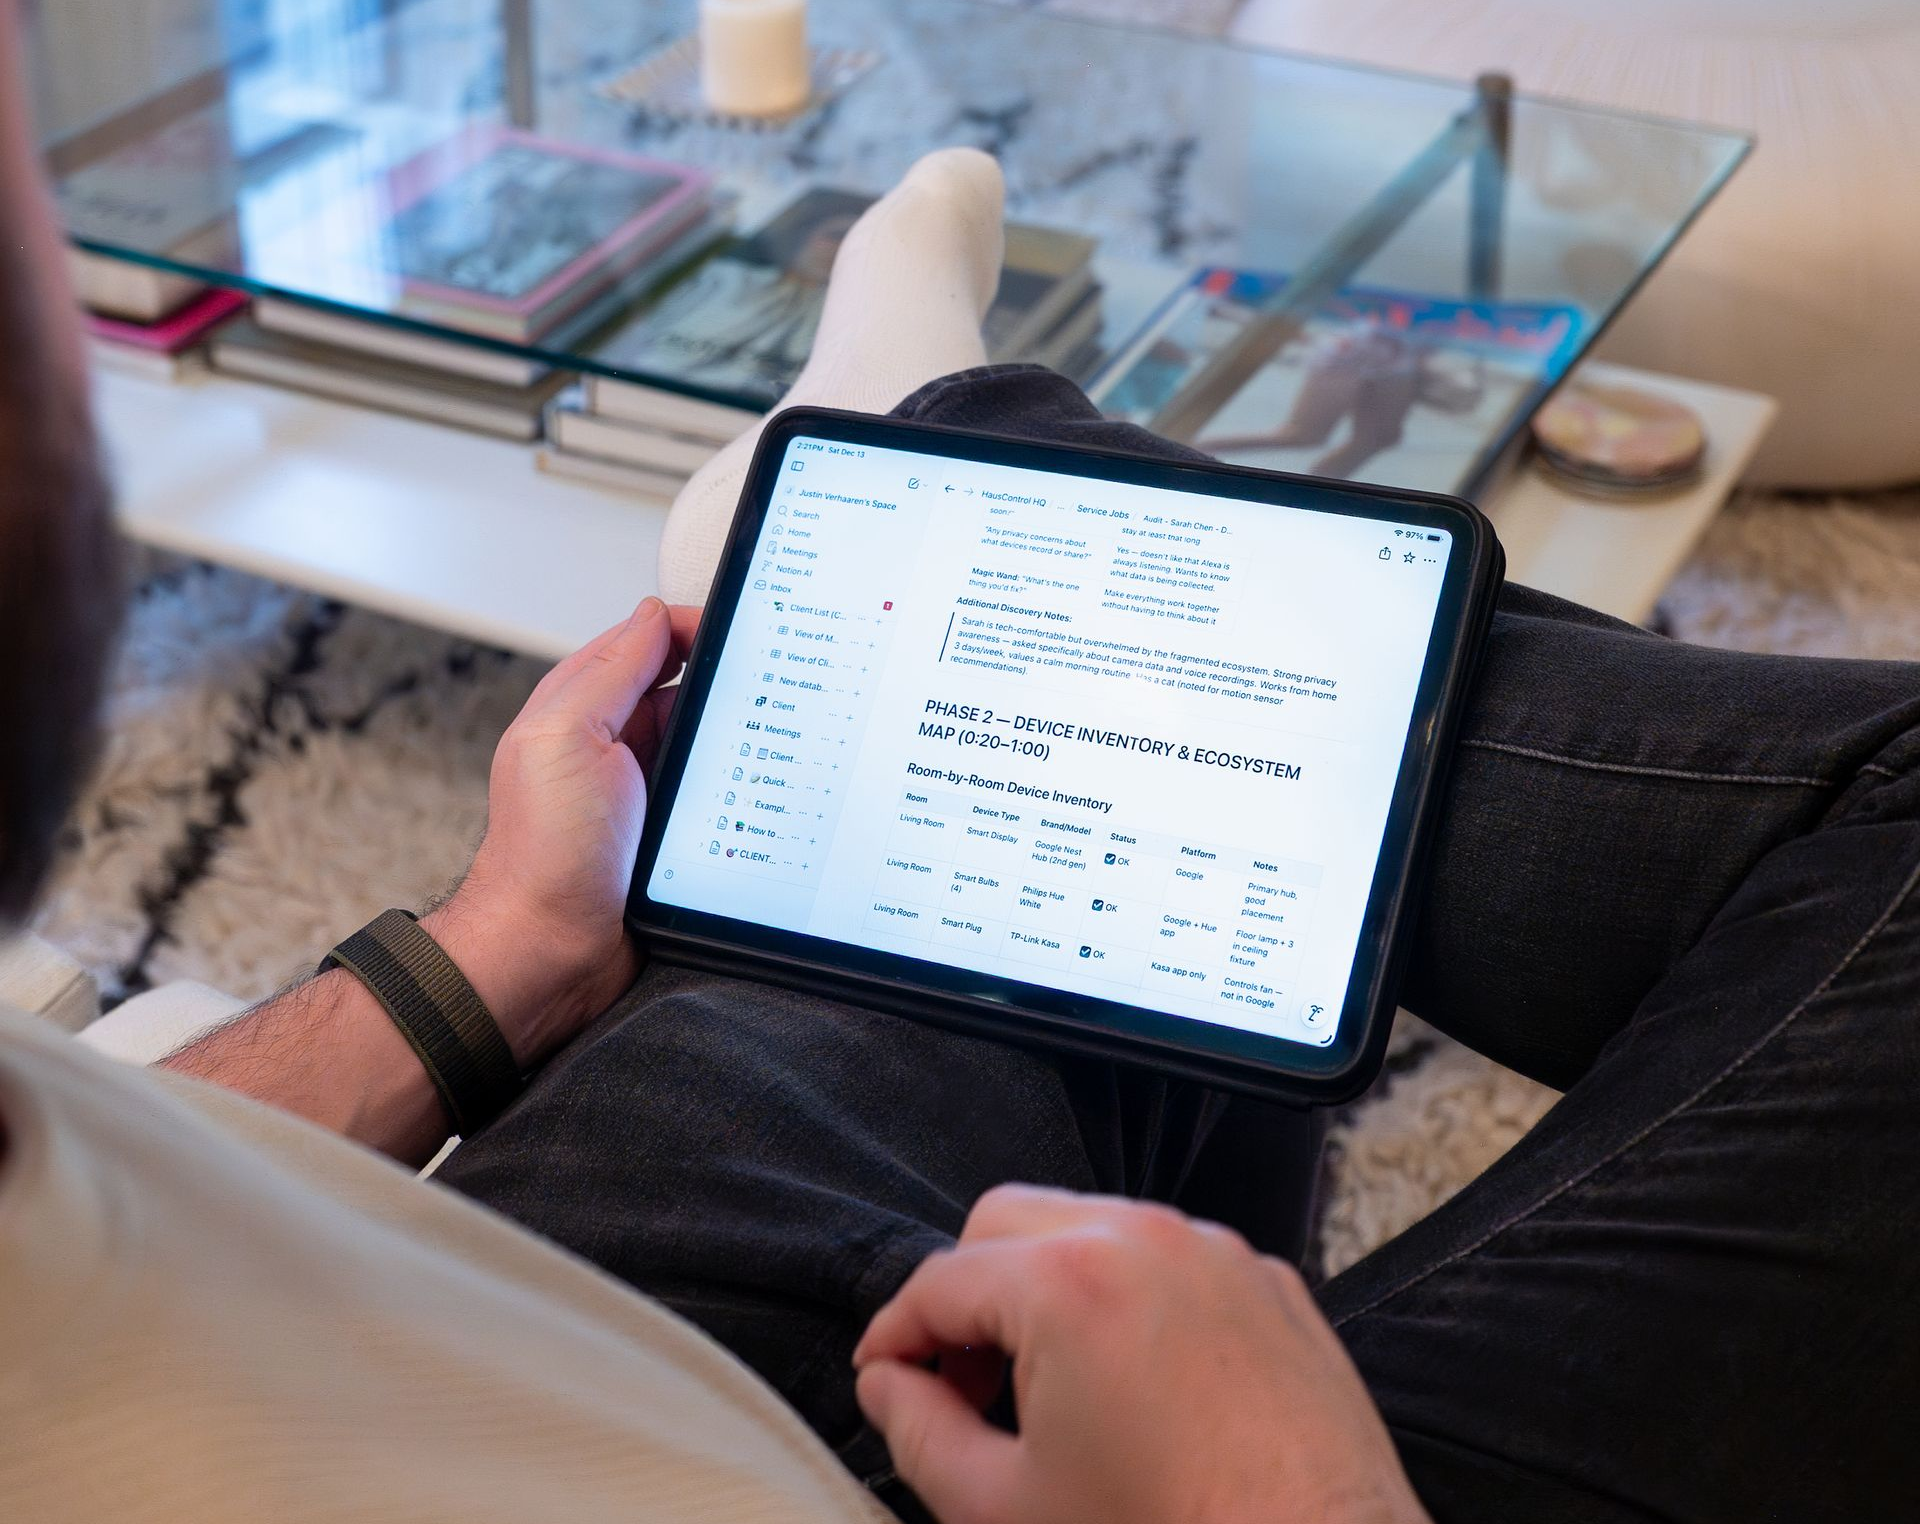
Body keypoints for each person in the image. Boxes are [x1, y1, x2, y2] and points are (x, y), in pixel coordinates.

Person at [1, 16, 1915, 1519]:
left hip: (450, 1356)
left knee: (982, 900)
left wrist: (491, 952)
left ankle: (913, 453)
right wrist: (1269, 1488)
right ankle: (929, 438)